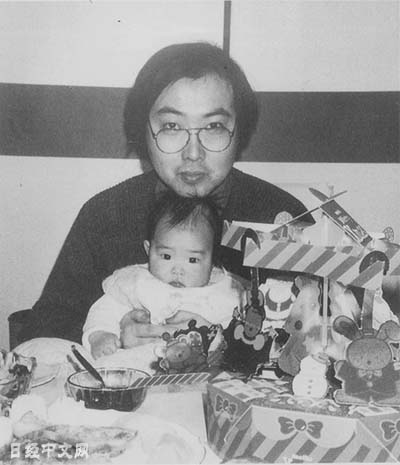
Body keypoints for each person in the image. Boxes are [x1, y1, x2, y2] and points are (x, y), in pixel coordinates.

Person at [27, 41, 314, 344]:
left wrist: (225, 342)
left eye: (214, 126)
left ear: (240, 130)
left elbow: (317, 337)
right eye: (172, 126)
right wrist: (108, 334)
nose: (193, 153)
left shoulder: (280, 218)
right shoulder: (106, 214)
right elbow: (46, 328)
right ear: (142, 132)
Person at [83, 193, 244, 359]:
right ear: (149, 250)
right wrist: (99, 335)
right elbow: (104, 310)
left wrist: (219, 339)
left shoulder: (224, 294)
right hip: (136, 363)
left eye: (192, 260)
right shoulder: (136, 283)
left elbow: (238, 337)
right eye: (166, 256)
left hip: (199, 369)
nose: (178, 270)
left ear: (212, 261)